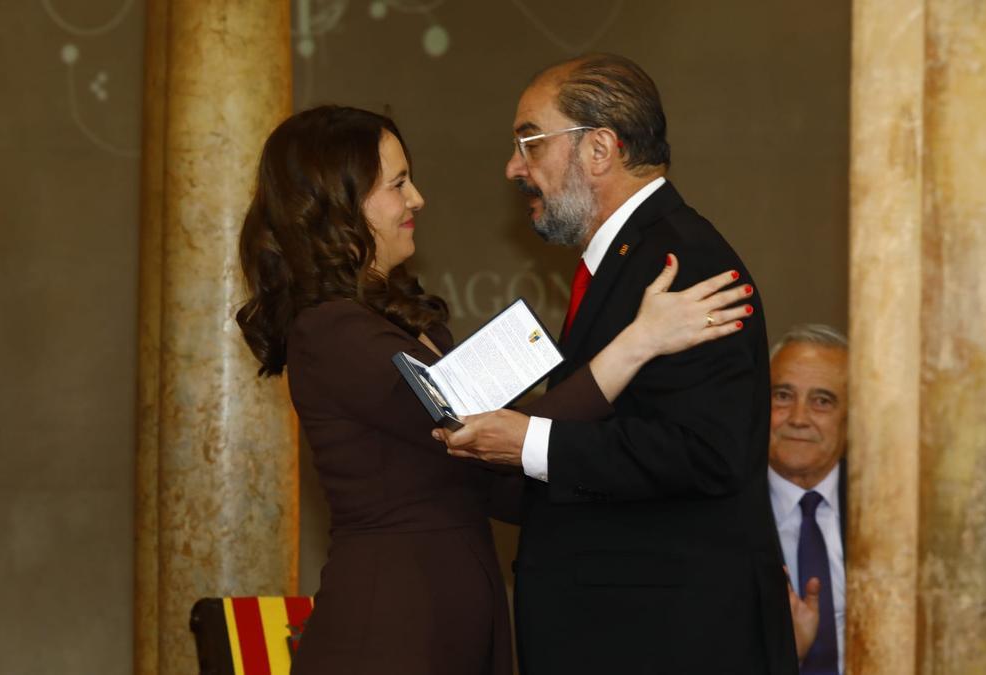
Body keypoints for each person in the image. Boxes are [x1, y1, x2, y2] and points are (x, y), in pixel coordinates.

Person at [234, 105, 755, 675]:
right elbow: (488, 439)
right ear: (339, 207)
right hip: (392, 623)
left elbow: (496, 481)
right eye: (398, 184)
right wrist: (640, 342)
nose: (417, 200)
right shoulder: (331, 329)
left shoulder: (404, 326)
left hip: (451, 612)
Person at [435, 55, 799, 675]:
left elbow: (704, 450)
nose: (513, 167)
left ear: (599, 148)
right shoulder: (636, 257)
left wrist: (531, 443)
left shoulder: (685, 263)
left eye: (529, 141)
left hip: (667, 640)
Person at [767, 324, 849, 675]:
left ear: (853, 418)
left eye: (822, 401)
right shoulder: (713, 513)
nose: (798, 419)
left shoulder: (894, 511)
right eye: (782, 396)